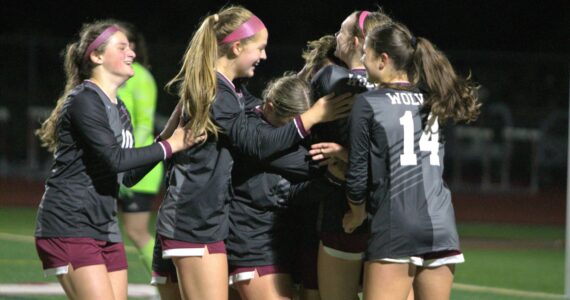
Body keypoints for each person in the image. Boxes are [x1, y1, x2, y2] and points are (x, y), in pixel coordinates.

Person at [154, 5, 352, 300]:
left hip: (209, 222)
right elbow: (256, 146)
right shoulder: (216, 93)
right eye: (259, 48)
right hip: (196, 222)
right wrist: (313, 120)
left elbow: (261, 141)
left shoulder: (232, 92)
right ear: (236, 47)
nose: (264, 56)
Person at [33, 20, 203, 300]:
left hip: (104, 226)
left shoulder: (119, 107)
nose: (132, 53)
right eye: (122, 47)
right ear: (97, 56)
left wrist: (166, 140)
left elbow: (128, 174)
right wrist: (170, 146)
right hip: (70, 223)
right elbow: (114, 159)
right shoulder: (85, 100)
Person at [343, 22, 481, 300]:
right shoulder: (434, 100)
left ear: (383, 59)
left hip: (396, 226)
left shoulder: (368, 102)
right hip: (441, 227)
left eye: (366, 54)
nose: (362, 61)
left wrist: (355, 213)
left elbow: (358, 173)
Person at [312, 9, 394, 300]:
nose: (337, 36)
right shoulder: (401, 91)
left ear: (359, 41)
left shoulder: (334, 80)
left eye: (343, 31)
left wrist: (342, 153)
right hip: (394, 214)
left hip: (343, 207)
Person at [116, 21, 162, 274]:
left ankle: (166, 282)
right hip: (115, 165)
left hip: (136, 169)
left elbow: (144, 126)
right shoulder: (113, 76)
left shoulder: (140, 77)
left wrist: (128, 164)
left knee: (136, 232)